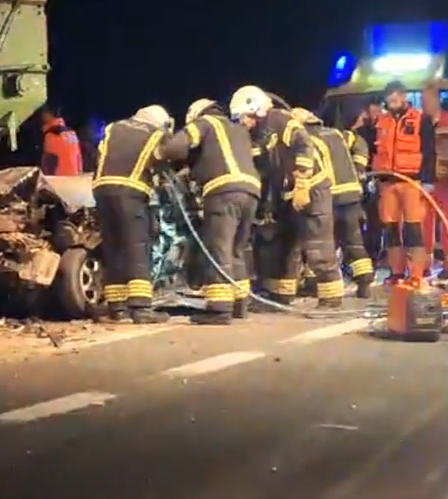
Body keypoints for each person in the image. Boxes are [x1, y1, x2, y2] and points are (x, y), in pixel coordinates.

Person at [229, 85, 345, 309]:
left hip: (311, 187)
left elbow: (303, 145)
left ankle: (331, 295)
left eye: (246, 117)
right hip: (285, 193)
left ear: (257, 110)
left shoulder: (280, 120)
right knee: (283, 246)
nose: (244, 123)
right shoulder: (254, 135)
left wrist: (302, 183)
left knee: (317, 243)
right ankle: (280, 295)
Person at [155, 98, 261, 324]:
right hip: (251, 191)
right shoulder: (238, 130)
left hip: (224, 191)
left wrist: (160, 153)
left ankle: (219, 309)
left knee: (218, 248)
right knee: (236, 250)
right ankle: (239, 305)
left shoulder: (204, 123)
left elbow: (178, 146)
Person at [92, 105, 174, 323]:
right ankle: (140, 308)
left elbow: (99, 153)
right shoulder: (156, 134)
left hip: (101, 189)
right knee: (137, 246)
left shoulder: (113, 128)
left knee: (114, 246)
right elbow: (164, 163)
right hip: (130, 191)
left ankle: (117, 308)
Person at [291, 107, 375, 298]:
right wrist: (358, 166)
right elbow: (359, 142)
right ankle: (364, 282)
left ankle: (317, 284)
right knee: (354, 242)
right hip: (352, 195)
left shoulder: (305, 141)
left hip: (329, 198)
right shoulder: (336, 134)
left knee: (323, 243)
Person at [372, 81, 434, 284]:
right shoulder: (382, 122)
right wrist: (375, 177)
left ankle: (416, 273)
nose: (392, 103)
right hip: (388, 182)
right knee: (390, 228)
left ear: (405, 97)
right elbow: (377, 151)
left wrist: (428, 180)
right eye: (389, 100)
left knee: (413, 228)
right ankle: (397, 272)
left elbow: (429, 151)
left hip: (412, 181)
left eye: (396, 99)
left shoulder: (420, 119)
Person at [420, 82, 448, 279]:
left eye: (427, 99)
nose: (424, 104)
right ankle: (425, 265)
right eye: (422, 100)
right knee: (424, 224)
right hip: (426, 180)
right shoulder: (422, 123)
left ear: (437, 99)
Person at [352, 100, 385, 264]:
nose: (376, 112)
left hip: (381, 178)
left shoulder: (385, 129)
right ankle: (361, 255)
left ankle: (375, 254)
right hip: (361, 179)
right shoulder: (358, 132)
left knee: (376, 219)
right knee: (359, 220)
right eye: (373, 108)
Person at [40, 106, 83, 176]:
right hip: (75, 177)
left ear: (48, 114)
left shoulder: (51, 135)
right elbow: (79, 158)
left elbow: (49, 161)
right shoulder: (72, 133)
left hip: (59, 179)